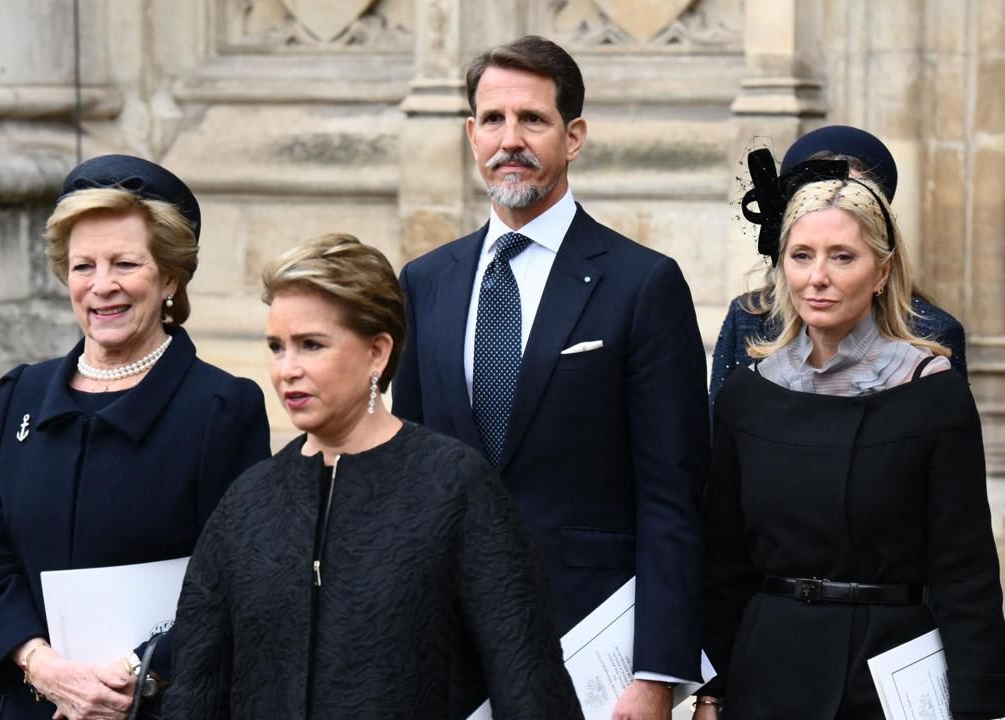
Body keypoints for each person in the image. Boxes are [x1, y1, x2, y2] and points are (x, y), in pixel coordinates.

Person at [392, 35, 710, 717]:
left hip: (591, 651)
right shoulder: (425, 283)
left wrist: (658, 673)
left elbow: (673, 496)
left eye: (532, 120)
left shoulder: (642, 284)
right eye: (495, 121)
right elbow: (408, 484)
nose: (512, 139)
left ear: (574, 137)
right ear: (471, 134)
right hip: (450, 655)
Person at [164, 234, 583, 719]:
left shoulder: (454, 486)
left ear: (378, 353)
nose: (287, 370)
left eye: (311, 345)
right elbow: (195, 694)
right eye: (277, 347)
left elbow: (529, 686)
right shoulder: (248, 501)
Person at [0, 154, 271, 720]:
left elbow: (240, 582)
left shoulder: (222, 408)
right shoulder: (21, 396)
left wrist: (132, 674)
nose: (102, 286)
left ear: (170, 275)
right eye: (84, 266)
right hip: (37, 703)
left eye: (125, 263)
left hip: (162, 706)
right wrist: (44, 667)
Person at [695, 162, 1005, 718]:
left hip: (887, 675)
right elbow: (725, 563)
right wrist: (711, 687)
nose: (819, 277)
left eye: (843, 256)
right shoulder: (749, 394)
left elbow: (966, 572)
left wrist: (979, 703)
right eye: (802, 255)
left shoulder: (930, 392)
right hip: (768, 671)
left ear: (882, 272)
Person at [709, 125, 967, 412]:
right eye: (803, 254)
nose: (834, 201)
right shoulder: (749, 317)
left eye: (843, 256)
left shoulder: (931, 332)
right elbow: (719, 432)